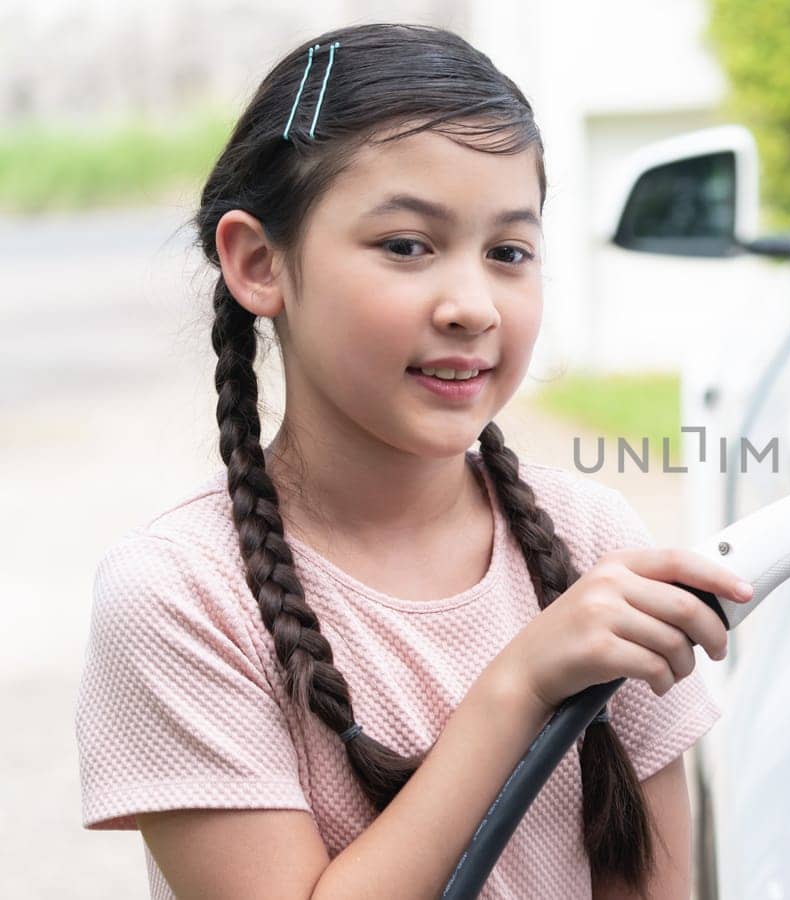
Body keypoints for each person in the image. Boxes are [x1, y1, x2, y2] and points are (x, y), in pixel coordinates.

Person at [73, 22, 752, 899]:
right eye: (406, 246)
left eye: (509, 252)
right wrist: (519, 687)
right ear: (257, 262)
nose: (472, 305)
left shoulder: (594, 543)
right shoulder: (180, 595)